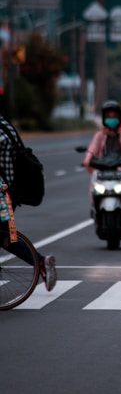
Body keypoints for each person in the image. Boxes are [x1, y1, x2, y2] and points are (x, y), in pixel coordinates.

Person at [0, 107, 56, 291]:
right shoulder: (5, 124)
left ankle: (40, 260)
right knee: (6, 236)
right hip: (10, 192)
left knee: (6, 236)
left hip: (4, 193)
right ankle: (41, 261)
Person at [83, 101, 121, 230]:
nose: (111, 119)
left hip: (120, 170)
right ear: (104, 118)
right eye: (109, 116)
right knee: (94, 184)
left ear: (119, 118)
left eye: (114, 116)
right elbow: (92, 149)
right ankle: (96, 212)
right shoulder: (99, 135)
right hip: (102, 170)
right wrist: (87, 159)